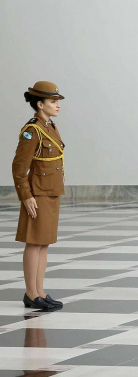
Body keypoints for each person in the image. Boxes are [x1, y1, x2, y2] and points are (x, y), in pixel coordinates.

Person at [12, 82, 66, 312]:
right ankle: (31, 293)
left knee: (43, 244)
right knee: (34, 244)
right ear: (40, 104)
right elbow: (19, 168)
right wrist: (26, 196)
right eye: (53, 102)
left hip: (51, 192)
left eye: (57, 102)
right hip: (37, 194)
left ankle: (40, 291)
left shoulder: (49, 126)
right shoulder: (32, 130)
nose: (57, 105)